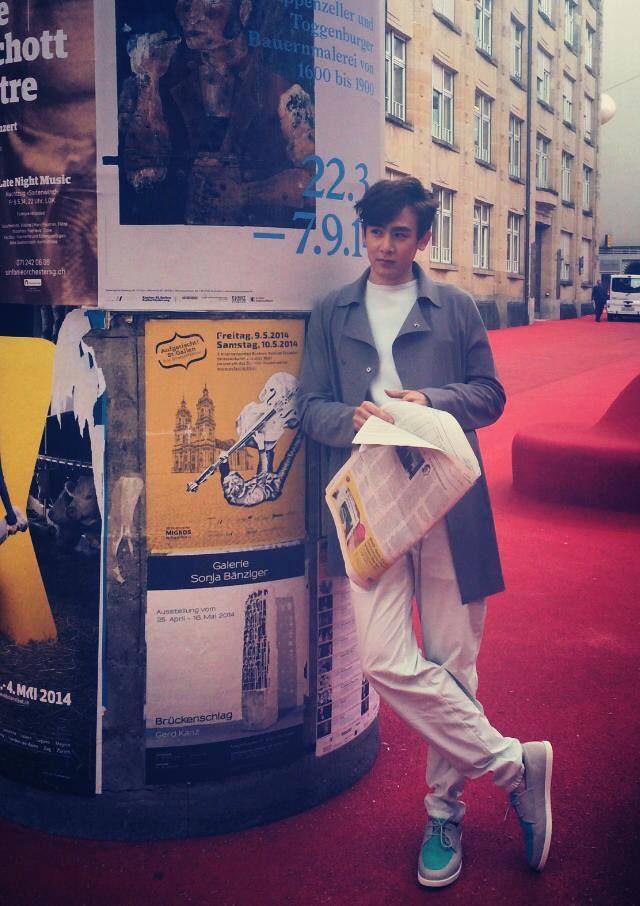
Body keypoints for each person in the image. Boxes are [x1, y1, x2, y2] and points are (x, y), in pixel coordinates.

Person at [298, 177, 553, 888]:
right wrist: (348, 417)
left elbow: (490, 395)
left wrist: (431, 402)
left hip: (447, 500)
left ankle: (444, 815)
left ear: (424, 239)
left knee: (451, 660)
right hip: (371, 502)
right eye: (375, 232)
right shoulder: (332, 311)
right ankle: (514, 765)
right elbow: (307, 404)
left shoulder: (456, 307)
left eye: (400, 234)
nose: (385, 247)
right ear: (364, 234)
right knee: (383, 658)